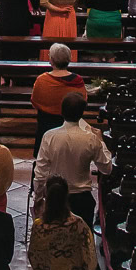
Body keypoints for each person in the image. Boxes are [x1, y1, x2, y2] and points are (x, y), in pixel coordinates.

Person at [33, 93, 113, 226]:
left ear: (61, 111)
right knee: (82, 240)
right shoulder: (91, 138)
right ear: (81, 113)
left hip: (56, 196)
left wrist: (38, 197)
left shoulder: (49, 136)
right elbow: (107, 168)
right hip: (82, 198)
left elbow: (40, 172)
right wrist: (101, 142)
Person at [29, 43, 85, 147]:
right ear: (69, 59)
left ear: (51, 60)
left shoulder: (42, 80)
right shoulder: (78, 80)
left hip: (46, 125)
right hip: (70, 125)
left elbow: (35, 102)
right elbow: (83, 101)